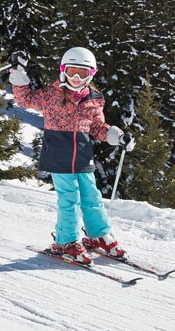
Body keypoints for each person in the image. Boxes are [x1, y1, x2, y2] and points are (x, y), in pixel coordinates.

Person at [10, 46, 131, 265]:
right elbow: (25, 99)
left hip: (83, 156)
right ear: (63, 70)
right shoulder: (51, 94)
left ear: (91, 75)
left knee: (92, 197)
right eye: (72, 71)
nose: (76, 78)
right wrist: (19, 74)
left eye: (82, 73)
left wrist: (118, 136)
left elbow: (97, 127)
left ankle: (99, 235)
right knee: (70, 199)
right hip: (58, 154)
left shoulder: (94, 100)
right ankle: (66, 241)